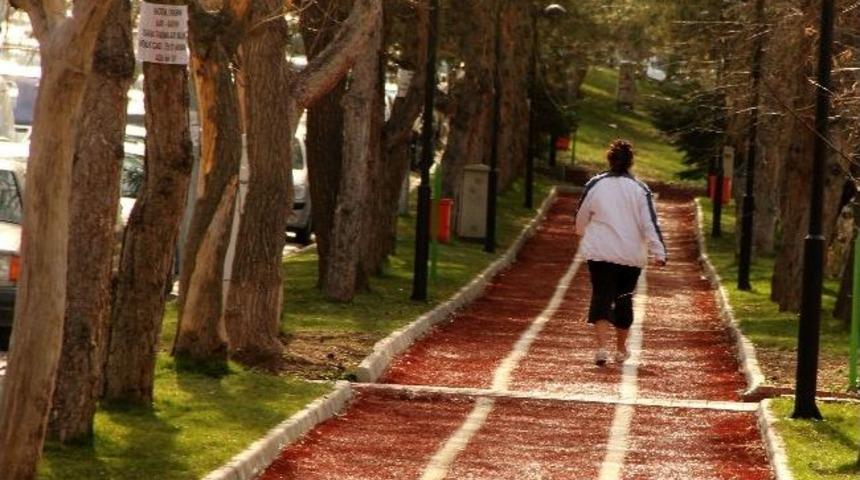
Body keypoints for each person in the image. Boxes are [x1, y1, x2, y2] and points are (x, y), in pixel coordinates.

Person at [574, 139, 667, 366]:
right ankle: (621, 348)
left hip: (600, 253)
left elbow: (581, 215)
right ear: (630, 162)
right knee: (624, 298)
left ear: (609, 159)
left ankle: (601, 348)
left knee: (601, 295)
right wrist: (659, 252)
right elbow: (649, 223)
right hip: (629, 255)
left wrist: (581, 232)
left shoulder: (595, 184)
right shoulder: (640, 189)